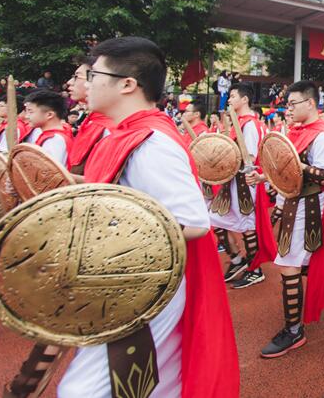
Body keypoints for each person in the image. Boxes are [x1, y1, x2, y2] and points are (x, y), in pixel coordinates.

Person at [58, 36, 239, 397]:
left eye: (94, 73)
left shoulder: (152, 143)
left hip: (146, 286)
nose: (84, 82)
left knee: (86, 391)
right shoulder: (125, 135)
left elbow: (193, 221)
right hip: (125, 283)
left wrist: (112, 243)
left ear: (128, 84)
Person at [260, 80, 324, 358]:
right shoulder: (297, 133)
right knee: (303, 264)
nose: (288, 108)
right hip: (294, 204)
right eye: (287, 104)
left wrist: (295, 164)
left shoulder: (321, 136)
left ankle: (293, 331)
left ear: (311, 104)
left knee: (289, 266)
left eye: (293, 103)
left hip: (310, 208)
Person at [213, 83, 269, 289]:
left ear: (244, 100)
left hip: (245, 183)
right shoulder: (240, 122)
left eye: (233, 96)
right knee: (216, 221)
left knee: (247, 227)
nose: (229, 99)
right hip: (233, 182)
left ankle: (256, 270)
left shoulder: (250, 124)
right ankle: (237, 260)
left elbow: (250, 157)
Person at [23, 89, 72, 166]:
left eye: (30, 111)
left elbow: (50, 173)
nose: (26, 116)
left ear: (49, 115)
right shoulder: (51, 136)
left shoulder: (55, 139)